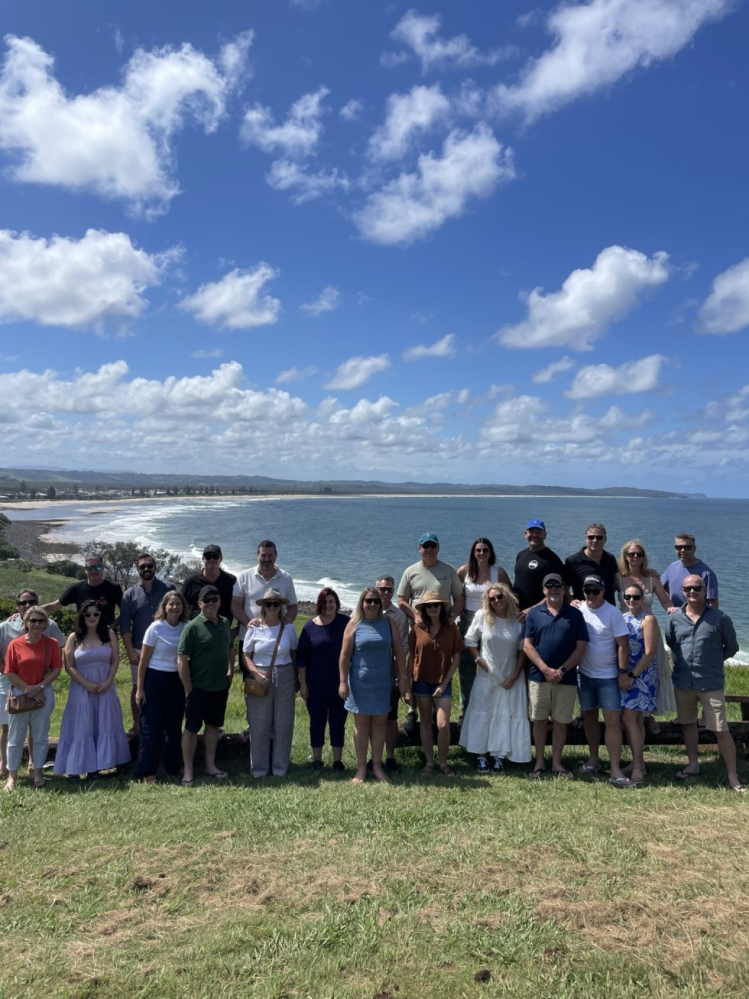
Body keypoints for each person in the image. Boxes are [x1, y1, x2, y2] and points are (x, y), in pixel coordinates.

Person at [666, 573, 743, 791]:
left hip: (710, 682)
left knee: (720, 729)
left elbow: (731, 647)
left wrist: (711, 661)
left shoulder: (720, 618)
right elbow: (671, 643)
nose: (692, 592)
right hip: (683, 681)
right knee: (688, 724)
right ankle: (693, 765)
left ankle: (732, 775)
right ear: (683, 592)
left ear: (704, 591)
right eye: (688, 589)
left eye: (697, 588)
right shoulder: (673, 619)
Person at [339, 587, 408, 784]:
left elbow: (399, 653)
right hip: (360, 684)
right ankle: (361, 768)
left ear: (381, 604)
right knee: (361, 725)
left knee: (379, 725)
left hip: (383, 683)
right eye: (368, 601)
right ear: (362, 602)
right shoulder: (354, 624)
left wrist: (404, 679)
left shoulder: (389, 623)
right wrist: (343, 682)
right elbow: (344, 655)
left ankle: (377, 766)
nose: (372, 604)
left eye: (376, 601)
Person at [54, 601, 131, 777]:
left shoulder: (109, 634)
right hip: (81, 688)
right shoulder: (74, 637)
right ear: (82, 616)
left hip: (105, 686)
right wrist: (86, 684)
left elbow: (115, 660)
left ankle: (98, 766)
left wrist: (108, 682)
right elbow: (69, 666)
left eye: (95, 614)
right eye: (87, 614)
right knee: (82, 725)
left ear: (100, 615)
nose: (92, 617)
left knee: (103, 724)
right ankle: (76, 766)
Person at [460, 583, 531, 771]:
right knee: (484, 714)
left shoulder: (517, 620)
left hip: (511, 676)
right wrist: (478, 661)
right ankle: (481, 756)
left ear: (506, 596)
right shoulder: (481, 616)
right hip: (487, 675)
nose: (496, 601)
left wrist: (515, 675)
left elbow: (523, 649)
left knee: (505, 715)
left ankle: (499, 756)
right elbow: (469, 640)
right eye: (492, 599)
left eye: (499, 596)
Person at [523, 574, 588, 779]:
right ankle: (540, 762)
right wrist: (545, 669)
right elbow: (527, 645)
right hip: (538, 677)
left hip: (566, 678)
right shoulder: (534, 613)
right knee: (540, 720)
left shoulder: (575, 615)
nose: (553, 589)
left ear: (564, 590)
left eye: (557, 586)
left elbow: (581, 647)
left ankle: (557, 763)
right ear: (543, 591)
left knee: (561, 721)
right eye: (549, 586)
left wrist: (562, 671)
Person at [0, 590, 64, 778]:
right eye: (22, 603)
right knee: (8, 728)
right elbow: (6, 664)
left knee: (36, 730)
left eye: (31, 602)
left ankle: (33, 766)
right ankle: (5, 766)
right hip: (11, 684)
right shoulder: (6, 627)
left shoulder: (50, 627)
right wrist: (23, 685)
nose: (27, 605)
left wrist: (39, 686)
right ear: (17, 606)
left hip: (40, 686)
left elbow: (57, 660)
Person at [577, 575, 633, 786]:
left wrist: (621, 672)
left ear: (603, 591)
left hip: (608, 676)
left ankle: (616, 769)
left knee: (612, 721)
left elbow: (623, 645)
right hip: (584, 674)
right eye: (587, 590)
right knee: (589, 718)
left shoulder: (613, 612)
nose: (591, 595)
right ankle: (593, 759)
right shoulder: (579, 610)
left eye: (596, 591)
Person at [177, 585, 234, 786]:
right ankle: (188, 769)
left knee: (213, 727)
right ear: (200, 604)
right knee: (191, 728)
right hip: (198, 688)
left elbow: (230, 648)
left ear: (219, 602)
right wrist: (188, 687)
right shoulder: (192, 627)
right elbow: (182, 659)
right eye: (206, 600)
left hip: (219, 687)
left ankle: (210, 765)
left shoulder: (225, 623)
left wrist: (231, 671)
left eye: (214, 599)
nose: (211, 603)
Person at [134, 591, 190, 783]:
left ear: (183, 607)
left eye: (178, 604)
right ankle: (147, 771)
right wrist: (140, 689)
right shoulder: (155, 628)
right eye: (171, 604)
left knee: (174, 727)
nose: (175, 607)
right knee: (152, 728)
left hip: (178, 680)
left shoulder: (187, 627)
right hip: (155, 680)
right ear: (164, 607)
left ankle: (172, 767)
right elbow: (143, 661)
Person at [243, 588, 299, 778]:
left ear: (281, 606)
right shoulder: (254, 628)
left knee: (284, 724)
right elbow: (246, 656)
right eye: (269, 604)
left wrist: (298, 679)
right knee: (259, 724)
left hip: (284, 675)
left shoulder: (289, 628)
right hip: (260, 676)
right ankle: (259, 769)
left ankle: (280, 767)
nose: (273, 607)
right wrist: (256, 673)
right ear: (263, 606)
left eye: (276, 603)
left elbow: (293, 655)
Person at [617, 539, 676, 721]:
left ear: (644, 557)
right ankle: (629, 719)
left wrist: (675, 613)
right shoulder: (617, 577)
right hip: (625, 632)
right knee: (624, 675)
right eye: (631, 554)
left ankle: (647, 717)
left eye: (639, 554)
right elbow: (597, 594)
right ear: (625, 557)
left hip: (647, 631)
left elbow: (666, 602)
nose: (635, 557)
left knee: (648, 675)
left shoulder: (652, 579)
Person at [409, 590, 463, 777]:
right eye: (429, 605)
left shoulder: (451, 628)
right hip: (421, 680)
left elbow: (456, 658)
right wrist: (407, 685)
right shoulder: (417, 629)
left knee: (442, 724)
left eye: (436, 605)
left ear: (441, 607)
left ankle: (443, 762)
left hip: (443, 681)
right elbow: (411, 657)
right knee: (425, 722)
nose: (433, 608)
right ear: (424, 608)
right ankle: (429, 763)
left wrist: (444, 683)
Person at [120, 552, 175, 737]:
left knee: (164, 687)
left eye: (149, 566)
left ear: (155, 567)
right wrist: (130, 652)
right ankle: (137, 726)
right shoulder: (129, 594)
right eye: (142, 566)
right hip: (138, 649)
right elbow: (125, 627)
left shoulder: (169, 589)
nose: (146, 569)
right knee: (138, 687)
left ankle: (165, 725)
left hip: (165, 648)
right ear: (137, 570)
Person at [457, 538, 511, 716]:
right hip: (467, 623)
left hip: (492, 622)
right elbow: (455, 594)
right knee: (466, 668)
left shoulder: (499, 573)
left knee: (491, 665)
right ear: (473, 552)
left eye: (485, 550)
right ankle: (466, 709)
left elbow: (509, 597)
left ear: (491, 552)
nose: (481, 553)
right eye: (478, 550)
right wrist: (458, 610)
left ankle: (491, 707)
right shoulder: (463, 572)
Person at [297, 587, 349, 772]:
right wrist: (303, 684)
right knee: (316, 724)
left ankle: (337, 762)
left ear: (336, 603)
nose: (329, 605)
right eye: (325, 602)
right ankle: (317, 761)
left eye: (332, 601)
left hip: (339, 684)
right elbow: (301, 659)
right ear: (320, 604)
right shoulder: (310, 626)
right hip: (315, 685)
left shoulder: (346, 623)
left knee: (338, 723)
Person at [619, 582, 660, 786]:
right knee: (633, 721)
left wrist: (632, 676)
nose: (632, 601)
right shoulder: (623, 618)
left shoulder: (648, 619)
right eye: (628, 597)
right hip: (626, 675)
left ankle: (636, 768)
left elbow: (650, 652)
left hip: (641, 676)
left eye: (636, 597)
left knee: (629, 719)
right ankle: (639, 762)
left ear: (643, 599)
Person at [231, 540, 298, 642]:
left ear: (276, 556)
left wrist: (287, 621)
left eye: (270, 555)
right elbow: (235, 605)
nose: (267, 559)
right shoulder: (244, 577)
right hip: (249, 637)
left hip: (276, 639)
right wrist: (247, 622)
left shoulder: (286, 578)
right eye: (263, 555)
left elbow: (293, 606)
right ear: (258, 556)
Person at [376, 574, 409, 773]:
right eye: (382, 589)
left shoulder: (399, 616)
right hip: (370, 674)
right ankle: (374, 756)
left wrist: (398, 675)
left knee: (390, 718)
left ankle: (389, 757)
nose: (385, 593)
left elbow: (403, 648)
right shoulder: (364, 611)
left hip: (390, 674)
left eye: (389, 589)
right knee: (371, 718)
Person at [397, 533, 464, 623]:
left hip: (444, 623)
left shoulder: (449, 570)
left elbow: (459, 598)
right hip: (419, 623)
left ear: (438, 548)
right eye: (426, 546)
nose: (429, 548)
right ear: (420, 548)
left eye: (433, 545)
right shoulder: (410, 571)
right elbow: (401, 601)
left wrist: (452, 616)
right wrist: (415, 616)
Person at [42, 553, 123, 628]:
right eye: (90, 568)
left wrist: (114, 625)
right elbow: (53, 606)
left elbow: (127, 611)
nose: (93, 571)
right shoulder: (76, 589)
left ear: (103, 568)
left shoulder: (114, 588)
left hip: (108, 639)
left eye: (97, 567)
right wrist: (32, 611)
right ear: (85, 569)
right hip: (83, 637)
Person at [513, 520, 569, 614]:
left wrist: (532, 609)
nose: (535, 535)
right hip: (518, 613)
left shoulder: (552, 560)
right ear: (525, 533)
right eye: (532, 531)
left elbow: (558, 591)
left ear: (545, 535)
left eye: (539, 532)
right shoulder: (520, 555)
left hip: (541, 613)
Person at [564, 524, 620, 605]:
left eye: (599, 537)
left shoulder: (610, 559)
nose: (595, 540)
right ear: (585, 538)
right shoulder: (572, 561)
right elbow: (565, 588)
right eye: (591, 537)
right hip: (582, 612)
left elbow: (614, 584)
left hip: (608, 611)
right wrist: (570, 601)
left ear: (605, 539)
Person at [181, 545, 237, 624]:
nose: (212, 559)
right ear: (203, 559)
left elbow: (240, 606)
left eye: (215, 556)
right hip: (196, 632)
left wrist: (237, 630)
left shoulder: (231, 581)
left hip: (223, 632)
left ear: (221, 558)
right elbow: (180, 605)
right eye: (208, 556)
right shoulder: (191, 582)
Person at [661, 533, 719, 609]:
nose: (682, 550)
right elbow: (660, 587)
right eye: (678, 547)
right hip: (675, 617)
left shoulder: (706, 573)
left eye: (687, 547)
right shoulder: (672, 567)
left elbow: (713, 603)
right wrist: (669, 605)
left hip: (697, 618)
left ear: (694, 549)